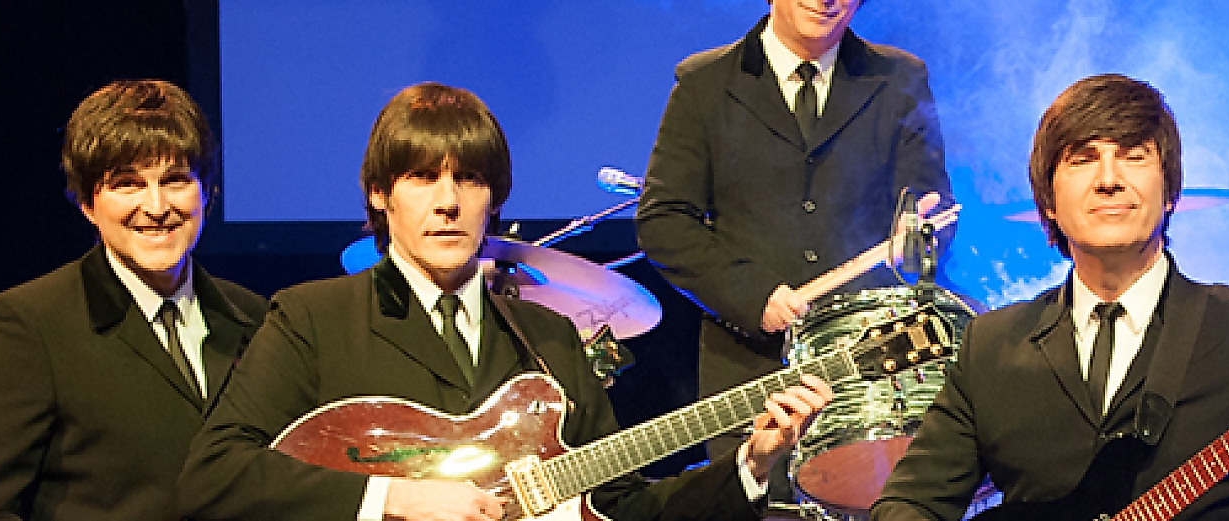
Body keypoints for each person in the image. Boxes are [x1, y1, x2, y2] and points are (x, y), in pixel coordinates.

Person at [180, 83, 834, 521]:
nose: (448, 201)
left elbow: (623, 506)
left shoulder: (548, 338)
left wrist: (752, 461)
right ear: (379, 194)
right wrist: (394, 496)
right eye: (422, 177)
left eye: (469, 179)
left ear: (493, 197)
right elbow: (214, 475)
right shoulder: (312, 318)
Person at [870, 75, 1229, 521]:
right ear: (1048, 201)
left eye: (1134, 156)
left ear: (1170, 191)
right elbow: (908, 502)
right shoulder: (992, 344)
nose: (1109, 179)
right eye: (1083, 159)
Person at [0, 79, 270, 521]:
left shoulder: (254, 318)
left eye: (175, 181)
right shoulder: (32, 323)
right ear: (87, 204)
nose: (156, 207)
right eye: (127, 184)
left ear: (207, 191)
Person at [636, 0, 951, 461]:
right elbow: (664, 220)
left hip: (874, 366)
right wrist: (754, 297)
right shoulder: (704, 82)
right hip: (750, 368)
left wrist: (919, 237)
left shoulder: (899, 77)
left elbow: (933, 211)